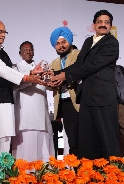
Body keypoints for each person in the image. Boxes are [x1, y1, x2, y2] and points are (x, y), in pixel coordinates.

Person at [50, 10, 120, 159]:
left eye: (106, 22)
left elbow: (93, 65)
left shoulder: (112, 43)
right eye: (100, 22)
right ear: (94, 25)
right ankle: (91, 177)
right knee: (88, 142)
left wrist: (65, 75)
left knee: (108, 140)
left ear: (110, 26)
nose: (103, 25)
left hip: (103, 97)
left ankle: (114, 176)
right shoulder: (88, 41)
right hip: (87, 98)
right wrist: (57, 75)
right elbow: (78, 64)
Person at [0, 19, 44, 156]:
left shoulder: (3, 53)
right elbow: (1, 70)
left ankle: (1, 176)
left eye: (4, 32)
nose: (3, 35)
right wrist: (26, 76)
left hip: (6, 102)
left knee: (4, 143)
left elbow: (11, 78)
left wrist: (30, 74)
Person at [12, 41, 54, 162]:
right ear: (20, 53)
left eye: (30, 49)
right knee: (24, 156)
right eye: (25, 50)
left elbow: (49, 86)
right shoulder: (16, 68)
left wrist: (50, 79)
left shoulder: (43, 68)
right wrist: (32, 78)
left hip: (42, 117)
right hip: (25, 118)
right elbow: (15, 84)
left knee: (43, 156)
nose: (28, 52)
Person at [49, 27, 80, 157]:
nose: (61, 46)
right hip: (65, 104)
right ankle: (77, 172)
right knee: (73, 141)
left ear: (70, 42)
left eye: (63, 42)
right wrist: (48, 82)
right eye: (57, 43)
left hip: (80, 102)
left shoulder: (79, 55)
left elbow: (78, 72)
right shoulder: (54, 63)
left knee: (85, 139)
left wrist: (61, 76)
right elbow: (52, 87)